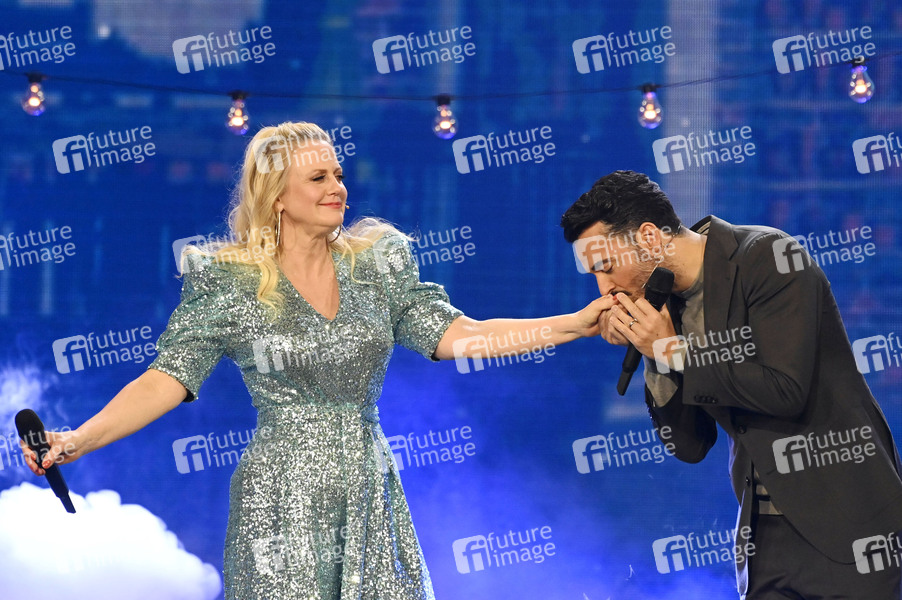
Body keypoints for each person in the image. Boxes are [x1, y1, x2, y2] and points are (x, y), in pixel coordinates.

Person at [20, 122, 609, 600]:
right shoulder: (228, 282)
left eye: (339, 175)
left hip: (368, 489)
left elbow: (460, 335)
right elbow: (165, 379)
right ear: (277, 196)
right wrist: (78, 440)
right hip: (279, 500)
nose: (338, 188)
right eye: (319, 177)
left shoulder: (378, 265)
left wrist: (574, 324)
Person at [561, 170, 902, 599]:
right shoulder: (667, 304)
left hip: (849, 528)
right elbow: (690, 446)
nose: (604, 289)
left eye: (606, 268)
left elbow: (785, 391)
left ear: (648, 237)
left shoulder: (769, 257)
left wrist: (672, 350)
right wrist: (652, 352)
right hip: (763, 537)